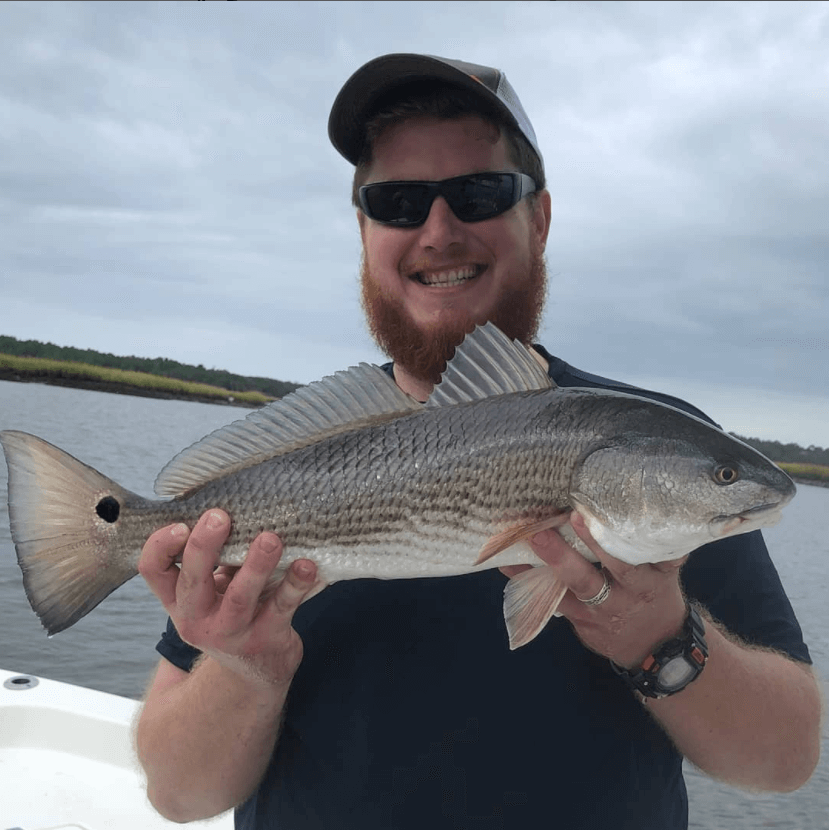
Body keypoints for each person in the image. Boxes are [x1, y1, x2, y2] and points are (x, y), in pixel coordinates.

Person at [134, 54, 821, 829]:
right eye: (396, 201)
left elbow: (784, 761)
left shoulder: (658, 440)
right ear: (364, 230)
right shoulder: (286, 470)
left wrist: (658, 641)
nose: (438, 230)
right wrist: (244, 667)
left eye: (479, 193)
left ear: (540, 217)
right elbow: (178, 797)